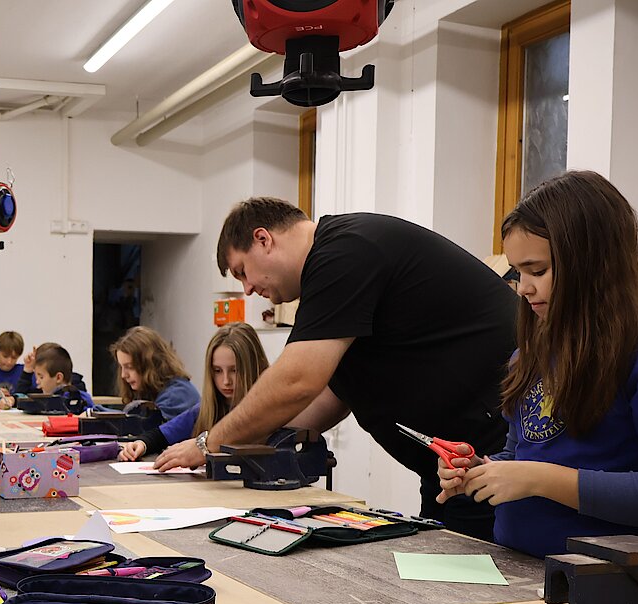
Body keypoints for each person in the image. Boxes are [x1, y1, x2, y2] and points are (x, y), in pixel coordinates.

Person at [154, 197, 518, 539]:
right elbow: (333, 394)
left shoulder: (344, 252)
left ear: (263, 240)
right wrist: (256, 444)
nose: (247, 289)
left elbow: (297, 381)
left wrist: (209, 443)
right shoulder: (335, 269)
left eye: (242, 272)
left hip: (493, 456)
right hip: (448, 469)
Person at [436, 171, 638, 558]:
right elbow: (521, 454)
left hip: (601, 579)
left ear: (594, 264)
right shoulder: (529, 355)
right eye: (518, 273)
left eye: (538, 271)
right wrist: (483, 470)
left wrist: (539, 479)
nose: (524, 288)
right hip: (516, 565)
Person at [119, 322, 269, 460]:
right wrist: (141, 444)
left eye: (234, 370)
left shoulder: (271, 410)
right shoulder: (204, 410)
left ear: (254, 366)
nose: (226, 381)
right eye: (217, 371)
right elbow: (165, 433)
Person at [111, 326, 200, 420]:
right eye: (121, 367)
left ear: (151, 363)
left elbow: (144, 425)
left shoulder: (175, 397)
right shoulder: (157, 391)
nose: (123, 375)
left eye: (130, 367)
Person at [0, 343, 95, 410]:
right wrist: (27, 371)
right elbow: (23, 397)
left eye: (41, 377)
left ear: (58, 378)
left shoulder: (79, 398)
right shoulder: (45, 396)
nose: (37, 382)